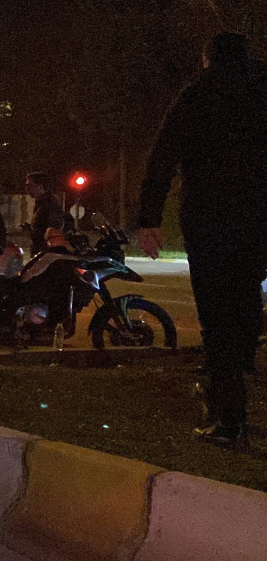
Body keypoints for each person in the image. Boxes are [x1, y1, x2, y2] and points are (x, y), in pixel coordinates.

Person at [136, 32, 267, 445]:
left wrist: (149, 218)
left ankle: (230, 419)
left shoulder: (198, 93)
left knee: (217, 316)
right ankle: (240, 360)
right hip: (258, 217)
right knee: (246, 297)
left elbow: (162, 155)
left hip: (209, 216)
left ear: (209, 59)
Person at [24, 172, 66, 255]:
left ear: (40, 186)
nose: (27, 188)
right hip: (41, 250)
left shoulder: (49, 203)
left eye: (30, 185)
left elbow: (52, 228)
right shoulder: (42, 202)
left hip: (45, 251)